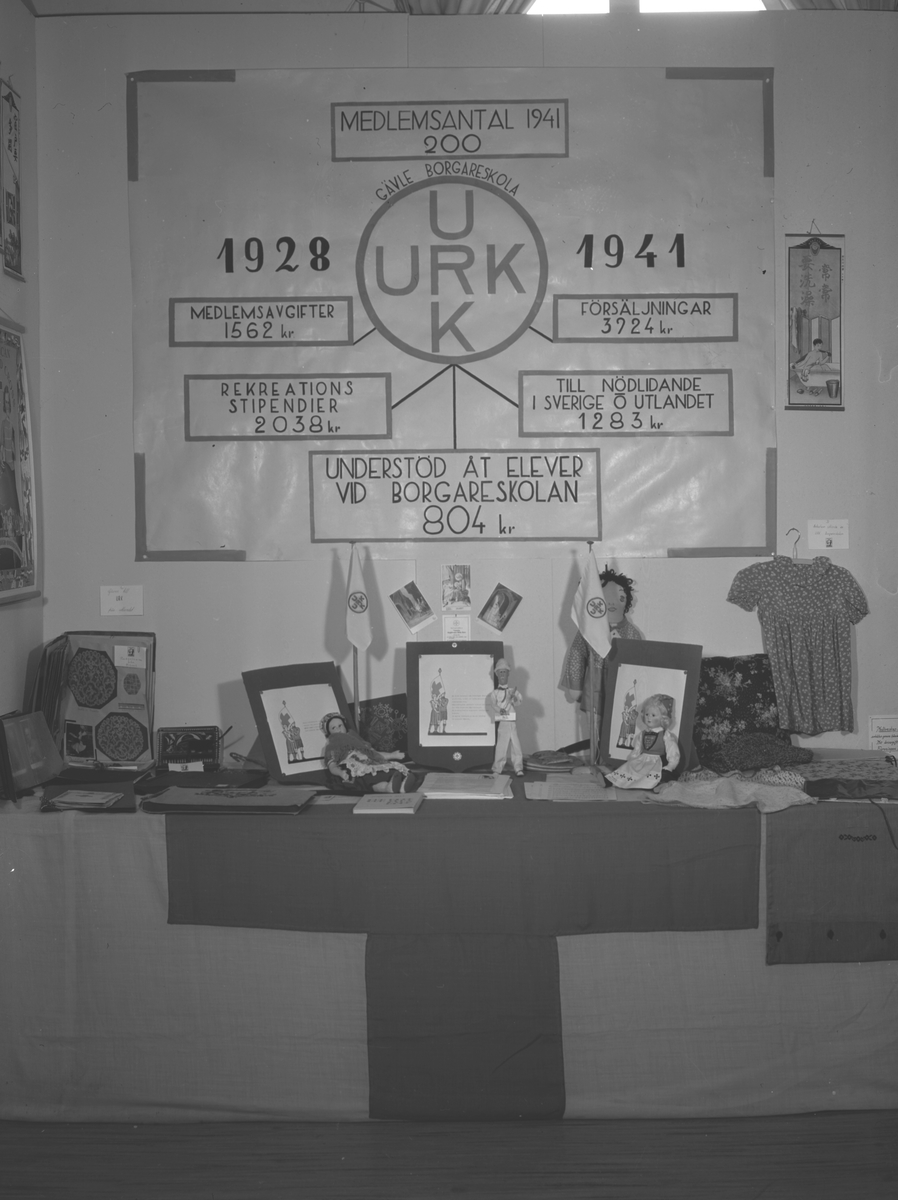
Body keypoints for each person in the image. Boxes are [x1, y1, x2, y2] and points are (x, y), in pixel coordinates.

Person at [600, 694, 680, 790]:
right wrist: (633, 758)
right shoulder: (642, 734)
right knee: (628, 768)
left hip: (657, 762)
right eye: (647, 714)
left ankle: (657, 785)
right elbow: (637, 749)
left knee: (658, 775)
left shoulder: (665, 735)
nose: (649, 718)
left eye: (653, 715)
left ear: (663, 718)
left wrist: (670, 766)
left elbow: (673, 752)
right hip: (642, 760)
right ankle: (610, 781)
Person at [320, 712, 413, 793]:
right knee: (368, 779)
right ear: (329, 733)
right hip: (354, 768)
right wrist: (340, 773)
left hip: (371, 762)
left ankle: (402, 785)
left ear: (345, 725)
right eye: (333, 728)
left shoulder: (358, 742)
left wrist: (393, 755)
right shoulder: (333, 746)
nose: (338, 729)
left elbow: (375, 754)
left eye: (340, 725)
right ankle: (387, 788)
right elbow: (332, 766)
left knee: (388, 770)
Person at [486, 658, 524, 776]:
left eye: (504, 672)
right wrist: (500, 710)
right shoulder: (494, 693)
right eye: (500, 672)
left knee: (516, 745)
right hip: (503, 722)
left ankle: (518, 767)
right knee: (501, 746)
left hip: (512, 722)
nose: (502, 674)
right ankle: (497, 769)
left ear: (508, 674)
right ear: (497, 674)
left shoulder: (513, 691)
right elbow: (493, 704)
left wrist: (513, 698)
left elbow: (519, 702)